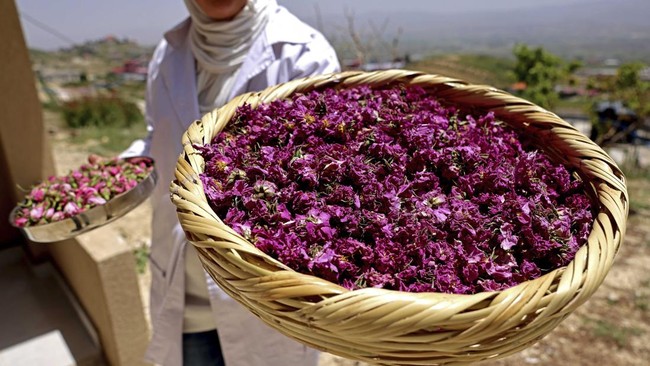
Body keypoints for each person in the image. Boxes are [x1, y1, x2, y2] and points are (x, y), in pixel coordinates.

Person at [120, 0, 341, 365]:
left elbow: (328, 179)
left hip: (264, 304)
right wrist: (125, 172)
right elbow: (157, 135)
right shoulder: (168, 53)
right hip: (186, 296)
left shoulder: (304, 55)